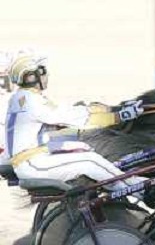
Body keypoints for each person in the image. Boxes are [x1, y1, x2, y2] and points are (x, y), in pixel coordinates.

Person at [5, 50, 147, 197]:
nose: (47, 76)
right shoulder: (30, 101)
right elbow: (74, 117)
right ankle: (139, 189)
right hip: (32, 164)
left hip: (35, 159)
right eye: (43, 72)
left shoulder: (25, 98)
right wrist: (119, 115)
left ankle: (135, 185)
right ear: (32, 77)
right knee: (89, 162)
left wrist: (112, 109)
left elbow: (70, 113)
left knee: (89, 155)